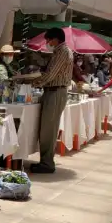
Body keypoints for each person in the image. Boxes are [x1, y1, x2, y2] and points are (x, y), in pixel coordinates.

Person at [30, 28, 73, 173]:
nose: (48, 43)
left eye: (49, 40)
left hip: (56, 91)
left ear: (56, 39)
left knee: (49, 129)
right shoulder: (62, 51)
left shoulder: (62, 52)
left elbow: (50, 75)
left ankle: (47, 163)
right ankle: (45, 161)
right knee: (46, 128)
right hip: (53, 91)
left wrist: (33, 82)